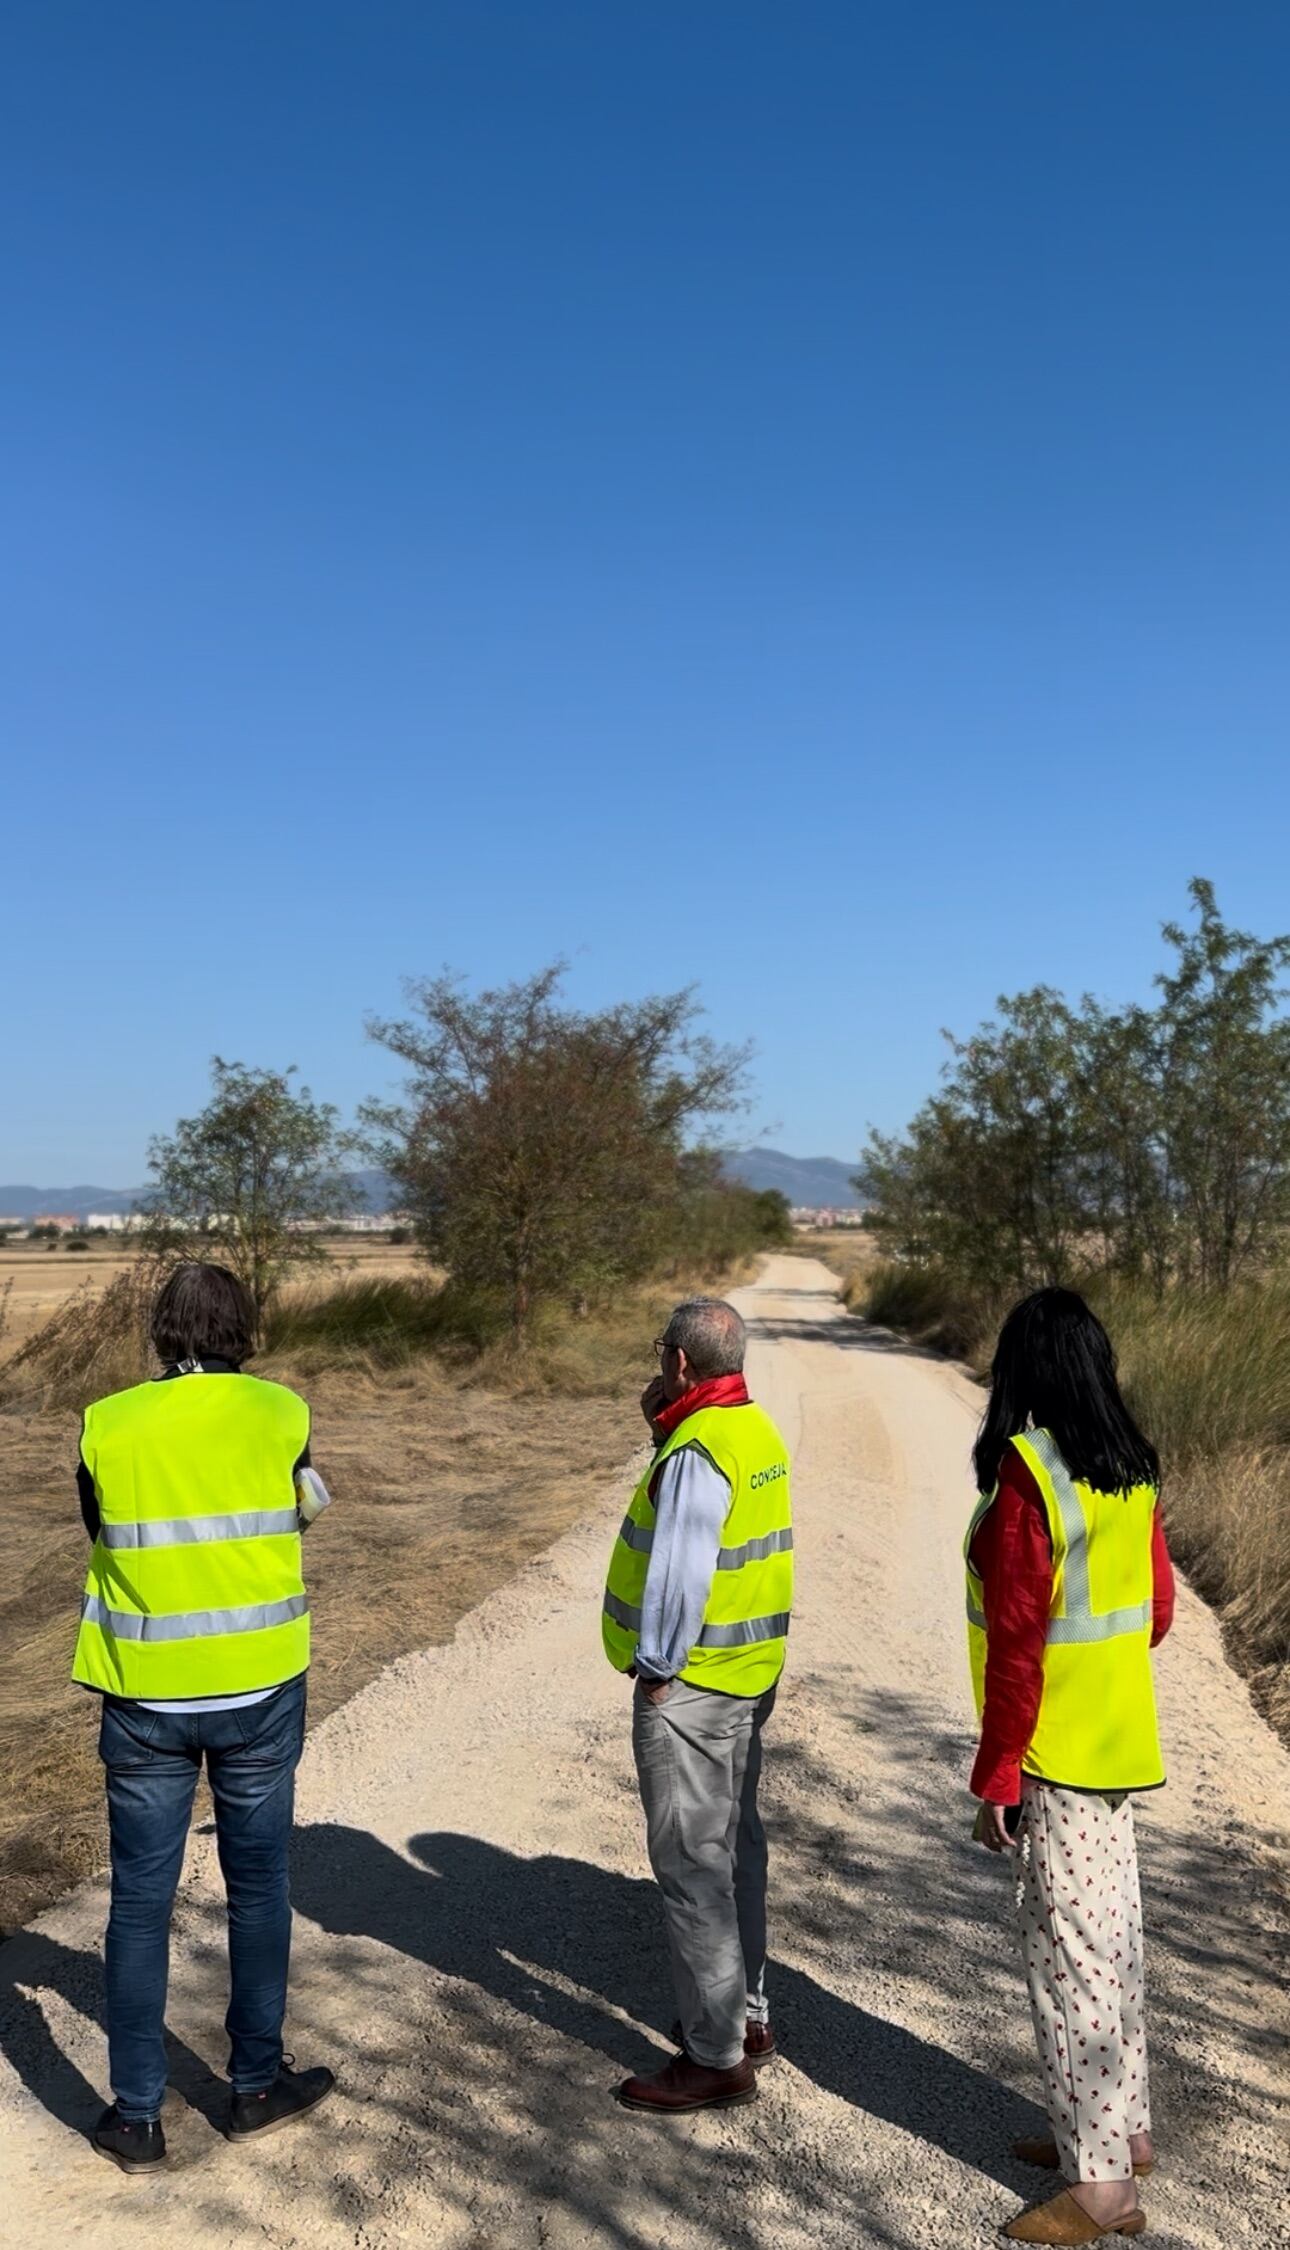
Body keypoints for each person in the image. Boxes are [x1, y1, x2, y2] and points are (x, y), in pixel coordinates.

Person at [72, 1262, 335, 2172]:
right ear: (242, 1328)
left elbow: (98, 1527)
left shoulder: (108, 1422)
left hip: (142, 1694)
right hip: (259, 1687)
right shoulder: (282, 1412)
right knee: (259, 1887)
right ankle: (256, 2086)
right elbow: (303, 1510)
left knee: (140, 1904)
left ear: (162, 1329)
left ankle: (137, 2117)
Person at [966, 1288, 1174, 2246]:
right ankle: (1117, 2135)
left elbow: (1017, 1644)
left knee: (1071, 1965)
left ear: (1025, 1370)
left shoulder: (1029, 1475)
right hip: (1119, 1746)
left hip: (1054, 1755)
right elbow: (1158, 1614)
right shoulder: (1129, 1468)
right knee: (1114, 1946)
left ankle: (1100, 2194)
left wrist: (997, 1773)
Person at [601, 1296, 793, 2115]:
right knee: (735, 1847)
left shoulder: (697, 1449)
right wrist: (661, 1431)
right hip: (748, 1674)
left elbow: (679, 1574)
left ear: (680, 1362)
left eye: (661, 1355)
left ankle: (714, 2056)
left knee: (692, 1867)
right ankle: (746, 2017)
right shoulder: (751, 1429)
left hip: (694, 1685)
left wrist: (657, 1672)